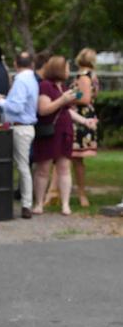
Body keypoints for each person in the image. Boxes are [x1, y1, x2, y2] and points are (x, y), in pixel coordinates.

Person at [0, 51, 38, 218]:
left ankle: (25, 204)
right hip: (26, 127)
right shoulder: (32, 79)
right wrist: (7, 99)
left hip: (19, 128)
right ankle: (25, 203)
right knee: (23, 166)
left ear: (16, 63)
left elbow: (16, 108)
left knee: (21, 166)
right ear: (31, 64)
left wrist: (0, 101)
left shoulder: (20, 80)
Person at [31, 55, 77, 216]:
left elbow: (68, 110)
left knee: (64, 168)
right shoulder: (45, 86)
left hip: (64, 131)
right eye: (66, 68)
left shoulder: (63, 87)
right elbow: (44, 109)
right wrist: (62, 100)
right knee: (43, 168)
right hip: (49, 132)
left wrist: (85, 120)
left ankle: (65, 204)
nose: (68, 71)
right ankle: (39, 203)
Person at [70, 47, 100, 207]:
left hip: (80, 119)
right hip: (88, 116)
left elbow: (85, 98)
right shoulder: (93, 76)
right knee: (75, 159)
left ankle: (81, 194)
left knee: (76, 159)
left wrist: (68, 98)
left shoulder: (83, 76)